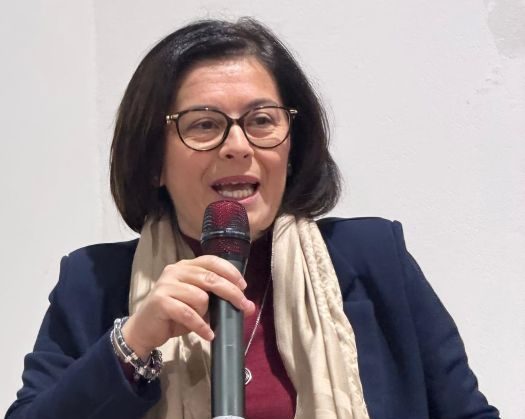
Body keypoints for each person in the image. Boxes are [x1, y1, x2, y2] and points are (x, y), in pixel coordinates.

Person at [5, 18, 500, 419]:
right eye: (204, 125)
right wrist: (133, 342)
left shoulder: (374, 259)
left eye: (262, 121)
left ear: (292, 146)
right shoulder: (92, 284)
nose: (238, 146)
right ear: (153, 159)